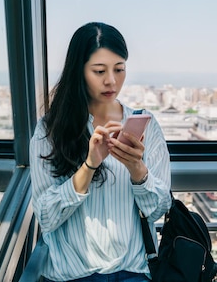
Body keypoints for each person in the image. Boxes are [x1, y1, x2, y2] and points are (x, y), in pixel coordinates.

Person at [30, 22, 172, 282]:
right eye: (99, 71)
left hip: (133, 273)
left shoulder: (145, 126)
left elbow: (157, 210)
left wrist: (137, 170)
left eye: (119, 69)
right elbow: (46, 217)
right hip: (71, 275)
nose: (111, 80)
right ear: (79, 72)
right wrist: (89, 165)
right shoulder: (50, 130)